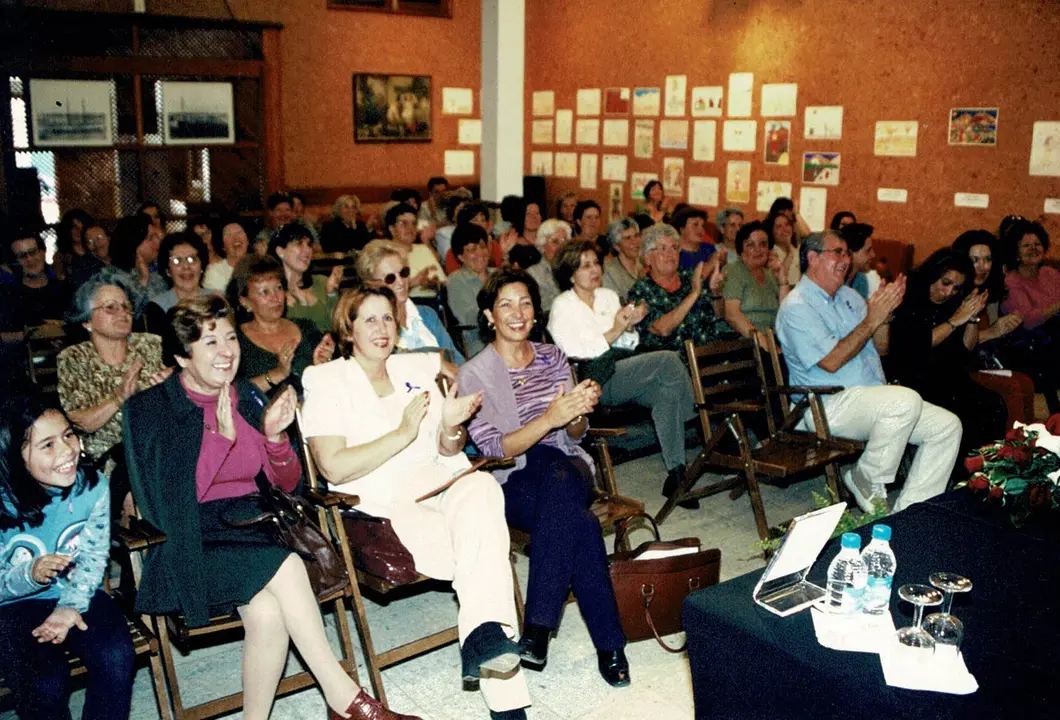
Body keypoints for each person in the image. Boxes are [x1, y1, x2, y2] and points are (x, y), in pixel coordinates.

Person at [122, 296, 417, 720]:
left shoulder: (243, 395)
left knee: (267, 612)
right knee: (287, 568)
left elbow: (287, 485)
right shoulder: (152, 409)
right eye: (210, 343)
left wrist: (276, 441)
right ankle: (346, 699)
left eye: (230, 337)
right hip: (192, 542)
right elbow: (172, 505)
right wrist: (221, 439)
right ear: (181, 356)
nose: (227, 351)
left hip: (254, 527)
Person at [301, 287, 531, 720]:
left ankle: (482, 634)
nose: (381, 328)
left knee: (483, 489)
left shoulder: (414, 368)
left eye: (387, 318)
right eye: (368, 320)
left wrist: (450, 427)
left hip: (443, 481)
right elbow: (332, 467)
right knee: (483, 555)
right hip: (383, 502)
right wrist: (401, 435)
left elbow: (447, 451)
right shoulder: (326, 379)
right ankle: (507, 702)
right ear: (347, 329)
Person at [458, 269, 631, 689]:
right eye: (505, 305)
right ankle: (611, 646)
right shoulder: (474, 373)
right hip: (512, 476)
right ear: (488, 315)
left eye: (525, 303)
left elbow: (575, 437)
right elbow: (495, 448)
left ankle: (538, 626)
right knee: (583, 523)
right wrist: (551, 417)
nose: (517, 313)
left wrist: (577, 414)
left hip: (565, 463)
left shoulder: (553, 357)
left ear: (536, 311)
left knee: (557, 472)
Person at [775, 230, 961, 513]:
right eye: (837, 252)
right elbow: (832, 361)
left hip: (871, 400)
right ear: (812, 258)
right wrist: (871, 320)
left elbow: (882, 348)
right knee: (904, 400)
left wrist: (884, 318)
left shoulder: (849, 296)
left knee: (947, 427)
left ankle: (912, 512)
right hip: (824, 405)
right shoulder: (796, 306)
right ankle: (867, 476)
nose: (845, 260)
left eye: (847, 253)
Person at [0, 396, 135, 720]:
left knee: (117, 656)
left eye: (68, 435)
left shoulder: (92, 487)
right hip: (12, 606)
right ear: (14, 457)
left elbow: (92, 555)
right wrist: (29, 574)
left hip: (78, 591)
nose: (66, 451)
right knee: (45, 682)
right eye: (47, 445)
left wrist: (70, 606)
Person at [547, 241, 695, 503]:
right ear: (570, 274)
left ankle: (677, 474)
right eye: (585, 266)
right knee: (669, 360)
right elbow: (573, 350)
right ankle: (696, 414)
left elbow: (628, 345)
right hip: (592, 380)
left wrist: (629, 326)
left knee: (665, 392)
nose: (594, 269)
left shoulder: (608, 296)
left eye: (596, 263)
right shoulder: (562, 306)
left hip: (620, 369)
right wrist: (615, 329)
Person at [888, 249, 1008, 458]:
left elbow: (966, 348)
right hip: (914, 376)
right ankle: (959, 473)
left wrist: (972, 316)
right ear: (932, 275)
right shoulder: (909, 297)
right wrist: (955, 321)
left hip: (946, 374)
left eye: (956, 288)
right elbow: (919, 344)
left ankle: (982, 471)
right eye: (945, 283)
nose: (948, 292)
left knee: (994, 403)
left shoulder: (951, 302)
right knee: (962, 412)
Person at [60, 270, 169, 467]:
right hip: (110, 460)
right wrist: (118, 397)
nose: (123, 313)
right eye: (111, 307)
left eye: (126, 307)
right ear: (87, 321)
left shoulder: (150, 344)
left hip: (159, 449)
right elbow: (81, 422)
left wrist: (173, 384)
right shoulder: (74, 358)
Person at [951, 230, 1035, 426]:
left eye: (988, 260)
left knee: (1025, 382)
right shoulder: (953, 291)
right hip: (958, 368)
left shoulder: (989, 293)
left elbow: (993, 339)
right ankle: (1009, 452)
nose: (983, 267)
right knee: (1013, 387)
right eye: (976, 260)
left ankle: (1027, 448)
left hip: (982, 363)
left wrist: (1006, 328)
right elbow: (956, 345)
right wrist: (993, 331)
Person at [228, 255, 334, 398]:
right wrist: (278, 374)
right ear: (244, 301)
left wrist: (322, 365)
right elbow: (232, 394)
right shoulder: (235, 341)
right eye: (264, 292)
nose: (276, 297)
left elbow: (328, 384)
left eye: (278, 288)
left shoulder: (306, 327)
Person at [356, 240, 465, 363]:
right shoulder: (372, 326)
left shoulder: (427, 315)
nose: (401, 282)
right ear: (371, 284)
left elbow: (456, 359)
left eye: (404, 273)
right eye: (390, 278)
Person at [627, 223, 729, 351]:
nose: (670, 253)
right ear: (647, 258)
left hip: (712, 356)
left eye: (675, 248)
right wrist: (694, 294)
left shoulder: (690, 277)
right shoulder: (640, 290)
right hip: (674, 364)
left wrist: (716, 292)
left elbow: (719, 316)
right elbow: (662, 329)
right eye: (663, 248)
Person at [999, 219, 1060, 414]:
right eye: (1026, 245)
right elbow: (1028, 321)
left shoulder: (1050, 273)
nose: (1033, 249)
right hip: (1027, 347)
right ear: (1015, 252)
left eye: (1037, 244)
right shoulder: (1011, 282)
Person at [722, 220, 791, 339]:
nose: (758, 249)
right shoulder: (733, 271)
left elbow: (785, 314)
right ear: (741, 249)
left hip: (773, 339)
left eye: (763, 244)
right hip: (744, 343)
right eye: (750, 245)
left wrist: (783, 280)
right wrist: (764, 344)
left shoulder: (770, 274)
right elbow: (732, 315)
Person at [269, 223, 343, 333]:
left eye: (309, 244)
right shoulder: (273, 293)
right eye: (299, 244)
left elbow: (337, 327)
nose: (307, 250)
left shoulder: (323, 282)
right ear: (280, 251)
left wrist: (332, 294)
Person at [0, 228, 72, 339]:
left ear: (43, 252)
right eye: (22, 256)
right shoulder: (8, 295)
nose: (29, 259)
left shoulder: (65, 289)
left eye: (33, 252)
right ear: (15, 262)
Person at [145, 231, 214, 332]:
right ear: (168, 271)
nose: (186, 267)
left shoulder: (216, 300)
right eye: (177, 261)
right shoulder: (157, 307)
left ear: (202, 266)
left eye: (192, 259)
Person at [447, 224, 495, 358]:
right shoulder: (456, 280)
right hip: (480, 343)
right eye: (472, 249)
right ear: (461, 257)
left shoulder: (498, 275)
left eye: (482, 246)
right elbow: (469, 316)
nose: (480, 253)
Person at [385, 203, 446, 300]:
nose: (411, 228)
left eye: (414, 223)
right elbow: (382, 292)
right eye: (404, 223)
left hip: (434, 303)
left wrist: (434, 284)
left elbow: (443, 282)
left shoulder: (424, 249)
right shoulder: (385, 254)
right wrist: (411, 283)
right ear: (392, 229)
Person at [110, 213, 166, 307]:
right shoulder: (115, 279)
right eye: (150, 238)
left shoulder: (157, 272)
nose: (158, 240)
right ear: (134, 245)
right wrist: (143, 281)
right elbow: (130, 313)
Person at [526, 218, 570, 312]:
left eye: (565, 241)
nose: (561, 247)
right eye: (555, 242)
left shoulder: (575, 270)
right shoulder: (533, 273)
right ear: (542, 245)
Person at [601, 218, 644, 300]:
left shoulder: (646, 265)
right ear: (617, 246)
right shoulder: (609, 273)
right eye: (628, 238)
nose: (635, 242)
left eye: (636, 236)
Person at [204, 219, 250, 292]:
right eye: (229, 234)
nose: (236, 238)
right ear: (223, 246)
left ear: (247, 241)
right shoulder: (214, 271)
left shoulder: (260, 266)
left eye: (239, 232)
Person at [840, 222, 880, 299]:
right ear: (850, 254)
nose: (873, 255)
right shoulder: (835, 283)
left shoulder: (861, 278)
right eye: (868, 251)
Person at [53, 208, 94, 282]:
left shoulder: (96, 252)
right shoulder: (61, 257)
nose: (78, 230)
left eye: (82, 226)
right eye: (74, 226)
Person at [765, 209, 800, 288]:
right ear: (772, 232)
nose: (784, 229)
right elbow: (779, 280)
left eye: (787, 224)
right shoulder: (770, 254)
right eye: (778, 226)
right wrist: (790, 254)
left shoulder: (799, 249)